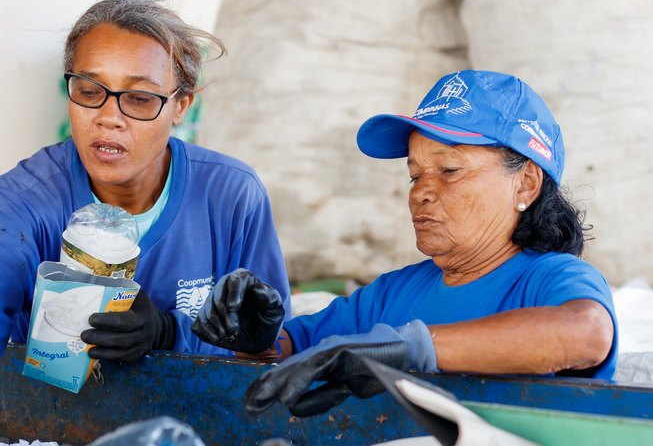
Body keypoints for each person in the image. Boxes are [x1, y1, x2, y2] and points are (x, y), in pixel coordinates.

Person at [192, 70, 617, 416]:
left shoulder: (550, 278)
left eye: (449, 170)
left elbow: (588, 333)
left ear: (525, 183)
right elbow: (293, 350)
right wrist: (255, 335)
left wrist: (413, 349)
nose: (420, 193)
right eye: (414, 175)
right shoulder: (392, 294)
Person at [0, 0, 290, 361]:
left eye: (139, 98)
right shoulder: (20, 204)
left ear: (181, 105)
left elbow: (272, 354)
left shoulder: (230, 196)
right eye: (89, 91)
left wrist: (168, 332)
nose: (108, 117)